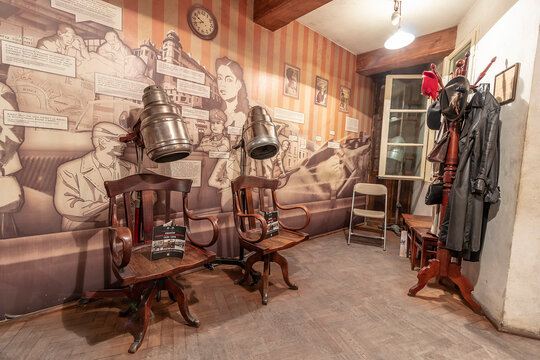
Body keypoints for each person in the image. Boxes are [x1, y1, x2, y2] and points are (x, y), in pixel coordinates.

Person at [54, 122, 136, 231]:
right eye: (121, 141)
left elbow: (149, 197)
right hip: (84, 234)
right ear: (102, 141)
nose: (125, 145)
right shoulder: (68, 170)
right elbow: (68, 206)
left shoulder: (132, 168)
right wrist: (113, 203)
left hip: (124, 231)